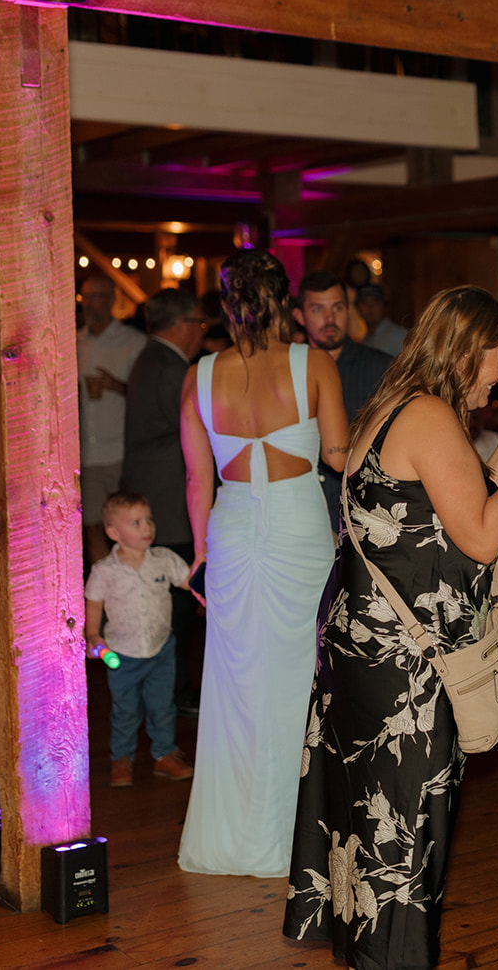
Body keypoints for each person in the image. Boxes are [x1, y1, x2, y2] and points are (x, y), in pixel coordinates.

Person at [284, 285, 498, 969]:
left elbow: (432, 513)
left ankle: (369, 953)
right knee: (407, 830)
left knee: (368, 818)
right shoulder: (432, 414)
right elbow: (478, 538)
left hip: (364, 647)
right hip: (404, 666)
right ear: (466, 351)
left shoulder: (394, 403)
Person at [178, 249, 348, 878]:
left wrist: (200, 553)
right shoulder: (313, 365)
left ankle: (231, 838)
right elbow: (337, 455)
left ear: (226, 306)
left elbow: (198, 481)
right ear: (285, 302)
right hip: (300, 528)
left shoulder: (198, 375)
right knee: (303, 679)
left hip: (231, 529)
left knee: (235, 684)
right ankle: (298, 839)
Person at [121, 287, 205, 714]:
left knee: (170, 602)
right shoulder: (170, 367)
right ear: (181, 324)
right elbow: (194, 430)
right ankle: (173, 693)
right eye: (199, 324)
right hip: (168, 501)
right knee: (176, 604)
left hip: (157, 493)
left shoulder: (151, 359)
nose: (201, 334)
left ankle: (170, 691)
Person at [83, 491, 195, 788]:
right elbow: (93, 603)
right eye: (136, 522)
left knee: (163, 705)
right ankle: (122, 759)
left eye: (149, 520)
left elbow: (192, 582)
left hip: (161, 649)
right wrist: (92, 634)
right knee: (125, 709)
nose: (147, 528)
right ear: (113, 532)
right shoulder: (104, 570)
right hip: (123, 654)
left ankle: (164, 754)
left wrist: (214, 588)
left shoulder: (163, 560)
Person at [293, 270, 392, 529]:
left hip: (363, 517)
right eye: (317, 309)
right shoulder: (288, 370)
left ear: (349, 310)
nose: (329, 318)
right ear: (299, 316)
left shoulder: (380, 368)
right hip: (302, 515)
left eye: (337, 307)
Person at [78, 275, 147, 564]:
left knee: (127, 524)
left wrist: (117, 386)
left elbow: (147, 396)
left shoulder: (133, 342)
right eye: (87, 297)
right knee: (93, 526)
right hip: (85, 452)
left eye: (98, 297)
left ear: (112, 301)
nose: (91, 304)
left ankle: (130, 589)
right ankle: (102, 598)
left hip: (120, 450)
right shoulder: (74, 342)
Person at [355, 283, 407, 356]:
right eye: (364, 302)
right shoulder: (364, 341)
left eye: (375, 301)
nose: (370, 307)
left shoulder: (399, 336)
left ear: (384, 305)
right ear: (358, 308)